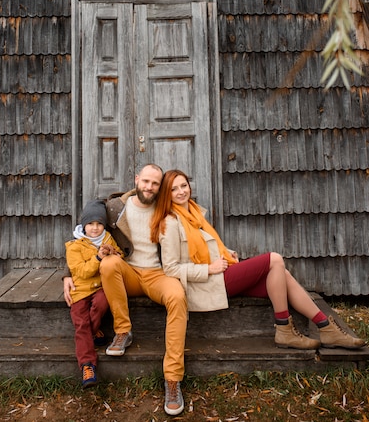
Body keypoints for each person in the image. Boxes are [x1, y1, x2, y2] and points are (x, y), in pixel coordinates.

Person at [151, 169, 366, 350]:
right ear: (166, 195)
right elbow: (171, 269)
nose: (181, 192)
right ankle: (284, 327)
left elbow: (209, 244)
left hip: (221, 273)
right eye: (174, 189)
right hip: (206, 283)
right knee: (274, 259)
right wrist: (209, 268)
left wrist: (228, 252)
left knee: (281, 273)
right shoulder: (169, 224)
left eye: (183, 186)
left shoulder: (195, 213)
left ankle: (325, 328)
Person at [63, 164, 188, 416]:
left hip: (157, 274)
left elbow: (196, 227)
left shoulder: (167, 207)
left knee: (177, 295)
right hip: (127, 273)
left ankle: (172, 379)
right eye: (146, 182)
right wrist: (66, 274)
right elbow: (84, 235)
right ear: (137, 180)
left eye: (155, 184)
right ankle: (123, 331)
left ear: (160, 186)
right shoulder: (115, 208)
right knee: (108, 263)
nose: (150, 187)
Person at [65, 199, 124, 388]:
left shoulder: (108, 239)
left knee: (102, 304)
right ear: (83, 225)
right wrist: (98, 257)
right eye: (90, 224)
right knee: (81, 323)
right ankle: (87, 365)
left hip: (101, 288)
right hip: (80, 291)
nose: (95, 228)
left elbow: (120, 257)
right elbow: (81, 272)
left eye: (99, 224)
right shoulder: (75, 246)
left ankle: (91, 332)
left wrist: (113, 253)